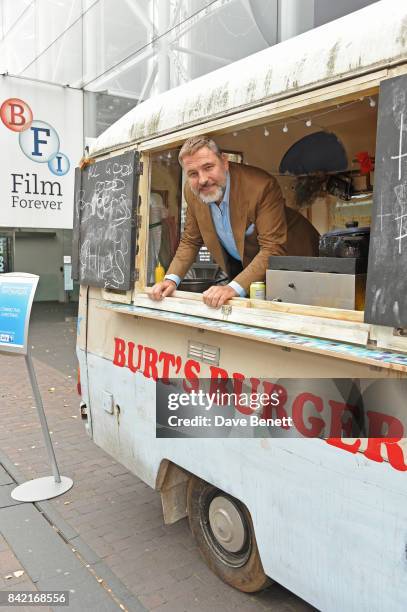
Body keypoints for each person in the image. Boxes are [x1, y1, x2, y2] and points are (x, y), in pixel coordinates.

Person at [150, 135, 319, 308]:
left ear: (224, 161)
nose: (202, 179)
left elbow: (273, 247)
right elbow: (190, 240)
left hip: (299, 261)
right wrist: (170, 279)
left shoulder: (261, 186)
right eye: (193, 173)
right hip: (252, 273)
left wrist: (231, 289)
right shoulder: (192, 190)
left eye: (208, 167)